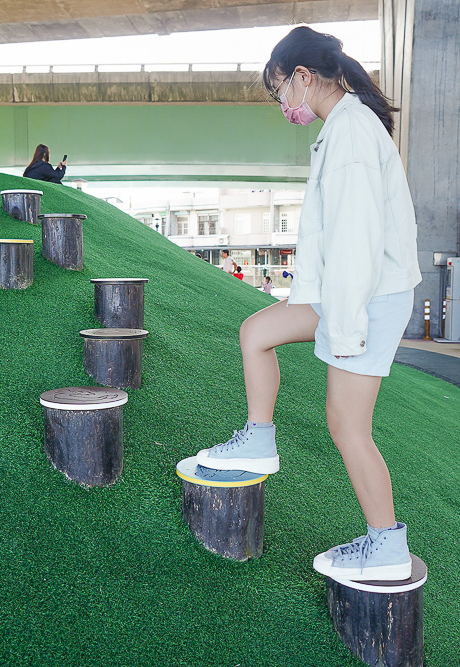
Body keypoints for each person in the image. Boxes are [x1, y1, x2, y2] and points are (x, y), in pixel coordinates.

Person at [193, 26, 421, 582]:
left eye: (279, 92)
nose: (282, 105)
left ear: (301, 76)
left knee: (347, 426)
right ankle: (258, 440)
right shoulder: (343, 128)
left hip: (364, 301)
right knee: (256, 333)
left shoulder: (350, 135)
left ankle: (386, 545)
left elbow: (356, 242)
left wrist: (343, 332)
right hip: (349, 294)